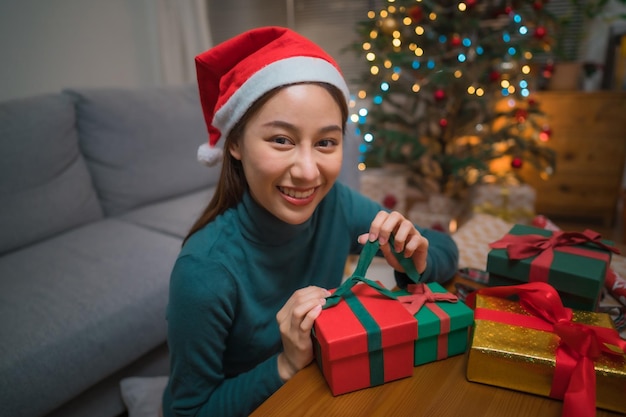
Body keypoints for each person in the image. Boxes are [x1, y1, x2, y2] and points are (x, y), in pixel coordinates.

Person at [162, 26, 459, 417]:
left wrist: (414, 256)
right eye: (282, 140)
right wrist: (285, 364)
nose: (307, 172)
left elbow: (446, 249)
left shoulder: (334, 204)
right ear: (234, 143)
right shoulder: (203, 272)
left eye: (325, 143)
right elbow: (185, 412)